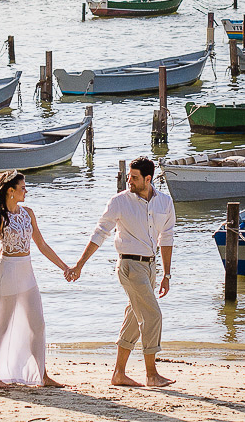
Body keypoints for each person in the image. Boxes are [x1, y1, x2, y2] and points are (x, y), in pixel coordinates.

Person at [68, 157, 176, 387]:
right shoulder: (119, 201)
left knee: (133, 318)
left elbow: (166, 239)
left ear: (148, 179)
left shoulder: (164, 203)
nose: (129, 180)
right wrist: (80, 264)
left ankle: (118, 374)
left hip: (150, 266)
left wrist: (166, 274)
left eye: (134, 177)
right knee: (152, 315)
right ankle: (151, 374)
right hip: (129, 265)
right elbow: (100, 233)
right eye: (129, 176)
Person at [0, 170, 68, 388]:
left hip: (27, 273)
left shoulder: (28, 213)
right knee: (0, 327)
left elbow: (42, 245)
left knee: (37, 324)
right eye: (22, 188)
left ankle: (42, 375)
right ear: (11, 191)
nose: (25, 190)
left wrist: (65, 267)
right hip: (6, 273)